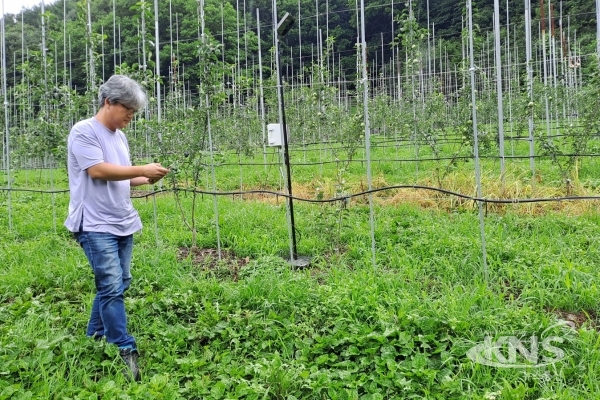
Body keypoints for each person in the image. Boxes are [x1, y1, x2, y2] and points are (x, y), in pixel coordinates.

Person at [64, 75, 169, 381]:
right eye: (128, 111)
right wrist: (140, 169)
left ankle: (94, 334)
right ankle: (124, 347)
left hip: (121, 220)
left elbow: (121, 175)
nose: (130, 118)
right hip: (95, 224)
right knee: (111, 286)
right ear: (109, 102)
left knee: (118, 283)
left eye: (134, 114)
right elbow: (97, 171)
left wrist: (147, 177)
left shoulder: (119, 136)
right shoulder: (84, 131)